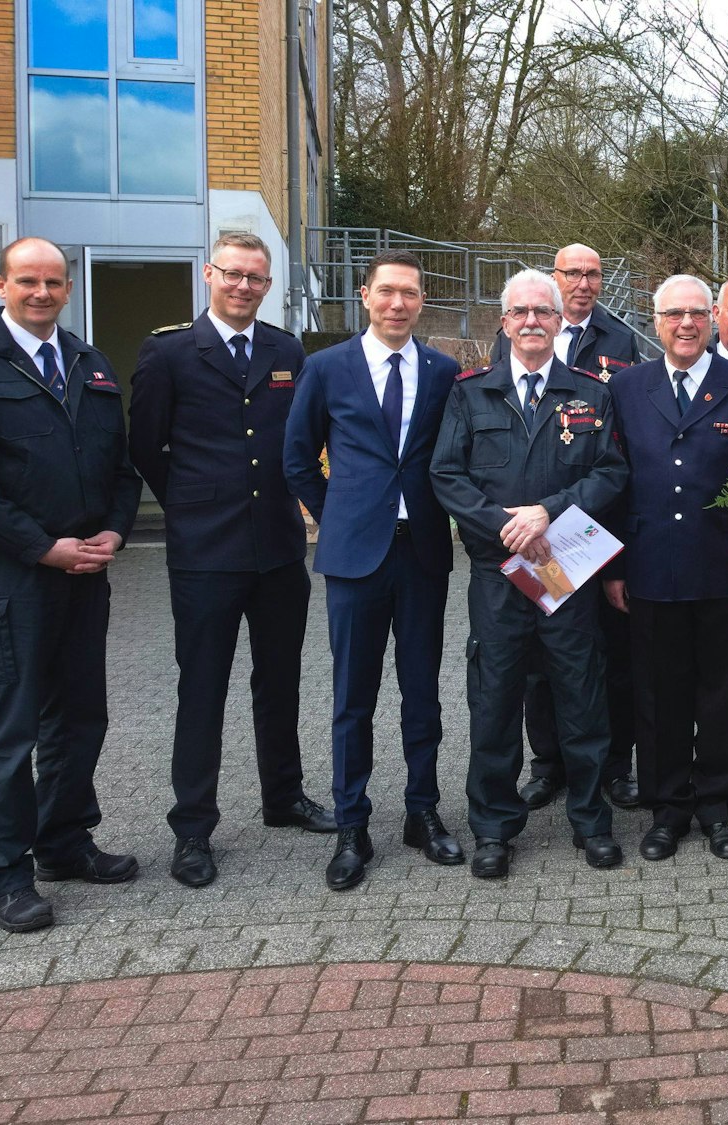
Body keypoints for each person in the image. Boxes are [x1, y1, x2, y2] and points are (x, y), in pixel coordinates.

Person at [0, 236, 143, 932]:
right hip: (12, 579)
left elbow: (121, 467)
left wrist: (114, 531)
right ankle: (6, 874)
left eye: (53, 281)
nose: (42, 292)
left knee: (79, 719)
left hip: (84, 574)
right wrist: (42, 547)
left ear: (68, 287)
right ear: (1, 285)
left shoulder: (89, 363)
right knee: (10, 731)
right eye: (27, 281)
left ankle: (63, 843)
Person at [128, 232, 335, 889]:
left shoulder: (285, 350)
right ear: (209, 274)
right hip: (206, 552)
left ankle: (284, 796)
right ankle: (193, 827)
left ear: (268, 285)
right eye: (234, 274)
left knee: (280, 680)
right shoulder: (168, 352)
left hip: (277, 546)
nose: (244, 286)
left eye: (256, 278)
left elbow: (299, 439)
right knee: (203, 687)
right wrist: (192, 503)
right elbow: (145, 446)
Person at [431, 269, 629, 877]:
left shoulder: (590, 393)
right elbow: (446, 475)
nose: (532, 321)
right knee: (494, 699)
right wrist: (503, 524)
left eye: (543, 311)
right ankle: (494, 827)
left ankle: (591, 820)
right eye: (520, 312)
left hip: (564, 565)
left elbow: (611, 472)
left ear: (558, 321)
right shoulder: (470, 393)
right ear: (504, 322)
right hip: (499, 573)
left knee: (581, 694)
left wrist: (548, 512)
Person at [282, 249, 461, 891]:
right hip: (355, 557)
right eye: (386, 291)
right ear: (365, 295)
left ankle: (422, 812)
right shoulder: (327, 367)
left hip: (423, 554)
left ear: (422, 300)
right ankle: (352, 824)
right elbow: (297, 458)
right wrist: (340, 517)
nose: (397, 303)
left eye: (409, 293)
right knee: (352, 698)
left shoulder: (443, 372)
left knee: (422, 692)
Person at [606, 275, 728, 864]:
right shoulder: (626, 386)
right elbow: (613, 479)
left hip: (721, 563)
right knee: (658, 693)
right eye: (674, 314)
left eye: (697, 313)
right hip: (648, 562)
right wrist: (614, 566)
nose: (687, 324)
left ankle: (719, 806)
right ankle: (667, 808)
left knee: (719, 691)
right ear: (656, 322)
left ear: (713, 318)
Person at [510, 244, 645, 815]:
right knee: (539, 661)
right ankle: (549, 764)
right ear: (555, 277)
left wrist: (617, 558)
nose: (584, 283)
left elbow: (621, 450)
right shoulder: (523, 330)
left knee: (606, 655)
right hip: (537, 536)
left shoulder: (622, 340)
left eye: (593, 274)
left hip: (590, 532)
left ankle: (614, 764)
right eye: (573, 273)